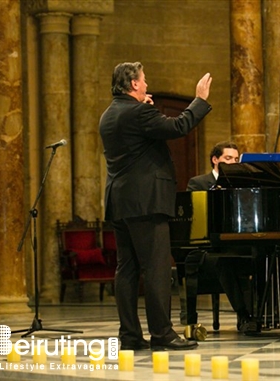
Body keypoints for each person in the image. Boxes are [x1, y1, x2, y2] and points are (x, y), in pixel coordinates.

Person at [99, 62, 212, 351]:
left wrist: (146, 110)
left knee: (126, 269)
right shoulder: (137, 112)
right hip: (146, 202)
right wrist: (199, 100)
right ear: (134, 84)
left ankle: (130, 336)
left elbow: (142, 135)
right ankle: (162, 334)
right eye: (144, 80)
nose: (147, 84)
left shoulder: (109, 114)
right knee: (157, 268)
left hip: (120, 202)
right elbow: (178, 126)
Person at [186, 141, 254, 332]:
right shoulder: (198, 183)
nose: (233, 163)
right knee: (224, 261)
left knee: (259, 256)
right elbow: (195, 219)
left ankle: (258, 314)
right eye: (228, 158)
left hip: (237, 243)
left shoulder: (243, 185)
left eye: (236, 159)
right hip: (207, 247)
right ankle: (244, 314)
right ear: (215, 160)